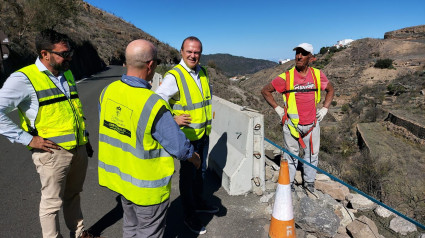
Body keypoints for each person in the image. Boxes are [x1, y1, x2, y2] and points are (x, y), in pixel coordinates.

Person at [98, 39, 201, 238]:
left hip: (121, 181)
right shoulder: (152, 104)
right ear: (151, 65)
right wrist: (195, 158)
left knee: (130, 227)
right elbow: (180, 148)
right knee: (149, 232)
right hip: (147, 188)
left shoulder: (108, 91)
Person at [0, 29, 96, 238]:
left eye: (70, 52)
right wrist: (28, 139)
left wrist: (85, 138)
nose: (69, 56)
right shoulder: (23, 79)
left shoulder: (67, 73)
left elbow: (74, 111)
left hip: (78, 148)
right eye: (63, 53)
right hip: (52, 154)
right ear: (45, 54)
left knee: (74, 195)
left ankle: (79, 233)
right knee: (52, 203)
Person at [155, 36, 218, 235]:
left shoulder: (204, 72)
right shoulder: (175, 76)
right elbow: (156, 102)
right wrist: (173, 120)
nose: (193, 55)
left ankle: (198, 202)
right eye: (189, 51)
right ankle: (189, 215)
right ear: (181, 52)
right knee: (188, 176)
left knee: (201, 172)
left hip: (203, 133)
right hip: (187, 137)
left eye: (197, 52)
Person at [261, 43, 334, 193]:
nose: (299, 56)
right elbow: (266, 91)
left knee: (312, 155)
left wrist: (325, 108)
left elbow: (330, 89)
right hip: (291, 126)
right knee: (291, 156)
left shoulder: (317, 75)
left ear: (311, 58)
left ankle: (309, 183)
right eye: (297, 53)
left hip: (312, 125)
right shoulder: (286, 77)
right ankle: (289, 186)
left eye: (303, 53)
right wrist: (278, 109)